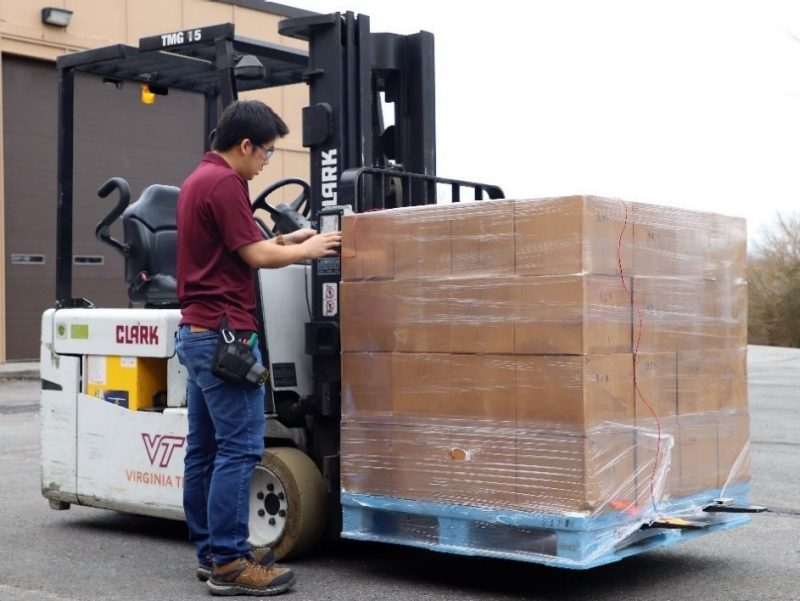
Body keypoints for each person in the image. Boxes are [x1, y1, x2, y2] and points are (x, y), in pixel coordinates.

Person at [174, 99, 341, 596]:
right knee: (241, 449)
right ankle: (229, 563)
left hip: (198, 333)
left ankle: (210, 551)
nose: (266, 162)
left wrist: (292, 242)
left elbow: (240, 247)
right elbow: (253, 254)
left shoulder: (197, 180)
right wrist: (308, 250)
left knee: (204, 450)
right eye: (266, 153)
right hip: (226, 336)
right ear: (245, 145)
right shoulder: (227, 183)